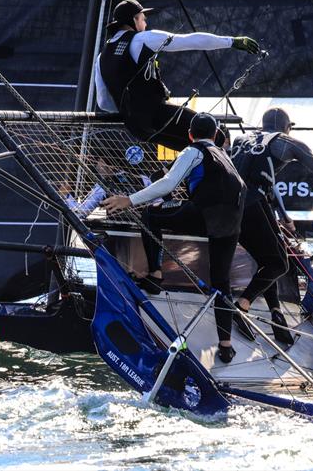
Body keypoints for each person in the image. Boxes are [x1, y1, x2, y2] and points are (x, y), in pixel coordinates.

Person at [102, 113, 247, 363]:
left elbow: (168, 183)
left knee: (151, 214)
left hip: (204, 215)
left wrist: (129, 200)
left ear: (190, 135)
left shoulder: (193, 151)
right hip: (232, 223)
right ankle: (226, 345)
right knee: (221, 282)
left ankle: (156, 276)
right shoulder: (225, 155)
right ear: (215, 135)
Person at [230, 107, 313, 344]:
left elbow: (260, 179)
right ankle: (241, 306)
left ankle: (276, 312)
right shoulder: (286, 142)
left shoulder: (241, 139)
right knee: (279, 264)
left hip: (230, 204)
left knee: (268, 260)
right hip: (251, 205)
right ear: (287, 127)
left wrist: (283, 215)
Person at [95, 0, 259, 151]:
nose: (145, 23)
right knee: (215, 136)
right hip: (157, 115)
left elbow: (103, 103)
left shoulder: (102, 56)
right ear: (134, 19)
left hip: (137, 128)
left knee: (195, 149)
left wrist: (131, 109)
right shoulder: (142, 39)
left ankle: (177, 169)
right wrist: (231, 41)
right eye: (143, 19)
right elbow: (191, 40)